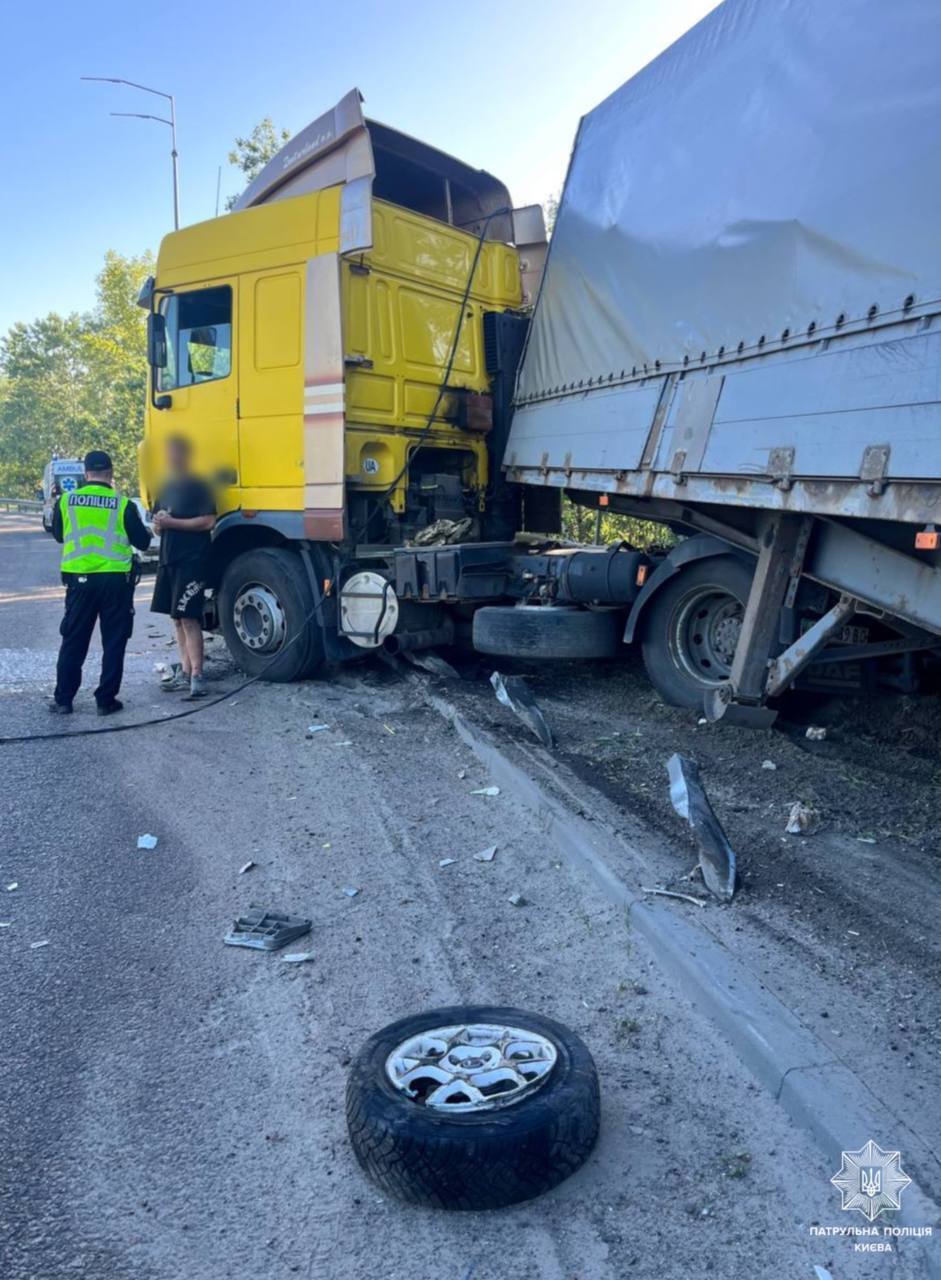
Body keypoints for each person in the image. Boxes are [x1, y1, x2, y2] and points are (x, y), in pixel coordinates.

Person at [50, 450, 152, 715]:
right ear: (111, 473)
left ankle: (63, 700)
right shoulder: (122, 504)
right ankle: (105, 700)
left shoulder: (66, 501)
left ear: (85, 474)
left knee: (73, 640)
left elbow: (60, 536)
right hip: (115, 582)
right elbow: (143, 542)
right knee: (114, 641)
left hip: (79, 582)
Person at [150, 437, 216, 699]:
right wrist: (159, 523)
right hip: (169, 558)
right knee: (176, 617)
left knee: (189, 617)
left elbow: (208, 521)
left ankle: (198, 676)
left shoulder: (199, 485)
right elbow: (157, 523)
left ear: (186, 455)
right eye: (168, 452)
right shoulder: (164, 486)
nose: (170, 457)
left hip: (192, 559)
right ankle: (186, 672)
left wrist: (172, 522)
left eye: (175, 452)